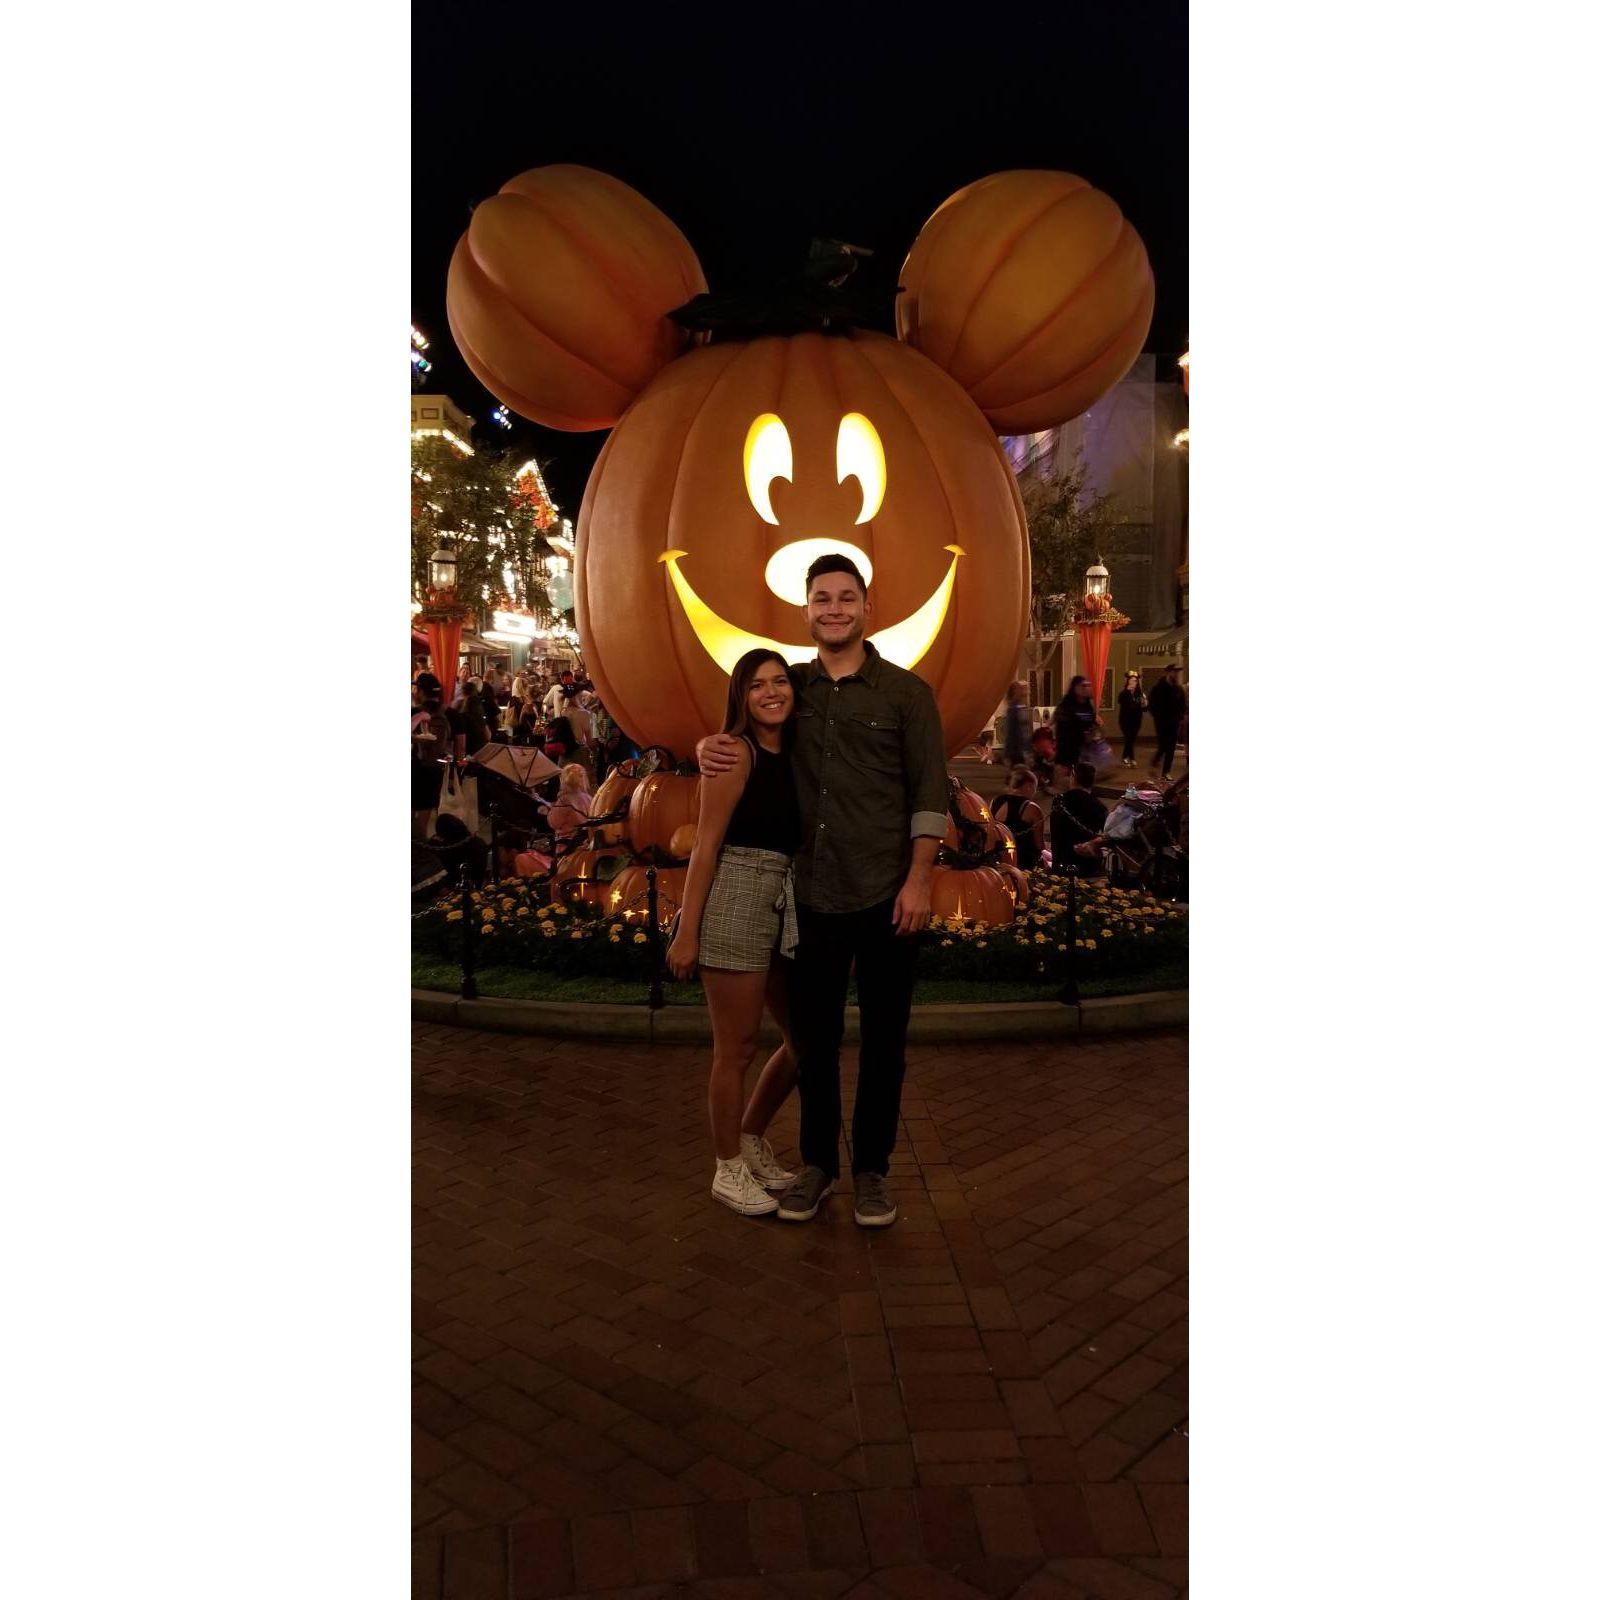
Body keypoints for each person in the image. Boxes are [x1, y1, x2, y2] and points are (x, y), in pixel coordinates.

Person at [698, 553, 946, 1230]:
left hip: (889, 893)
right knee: (814, 1041)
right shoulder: (792, 687)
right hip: (809, 897)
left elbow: (929, 795)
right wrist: (708, 747)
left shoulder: (906, 695)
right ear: (806, 610)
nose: (834, 609)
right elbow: (746, 732)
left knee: (884, 1043)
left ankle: (872, 1172)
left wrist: (920, 879)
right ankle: (817, 1165)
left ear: (867, 607)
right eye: (821, 599)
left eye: (845, 598)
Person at [667, 650, 805, 1218]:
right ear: (741, 697)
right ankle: (727, 1169)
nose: (771, 692)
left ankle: (749, 1138)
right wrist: (688, 930)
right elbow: (704, 847)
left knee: (804, 1041)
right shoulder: (734, 755)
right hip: (736, 897)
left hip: (786, 901)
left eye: (780, 682)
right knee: (737, 1047)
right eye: (757, 685)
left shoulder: (797, 752)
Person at [1050, 761, 1108, 875]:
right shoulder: (1099, 807)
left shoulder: (1059, 801)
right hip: (1088, 866)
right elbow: (1107, 836)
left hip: (1061, 864)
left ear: (1073, 777)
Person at [991, 766, 1046, 870]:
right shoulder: (1031, 808)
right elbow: (1039, 845)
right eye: (1035, 788)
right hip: (1022, 863)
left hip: (997, 858)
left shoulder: (995, 802)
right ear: (1029, 786)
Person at [1148, 663, 1187, 780]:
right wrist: (1157, 716)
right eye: (1174, 672)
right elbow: (1152, 704)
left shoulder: (1178, 689)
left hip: (1174, 722)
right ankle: (1155, 761)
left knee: (1171, 748)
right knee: (1163, 745)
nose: (1176, 674)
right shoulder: (1158, 688)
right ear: (1168, 672)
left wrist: (1180, 716)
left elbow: (1183, 704)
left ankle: (1166, 772)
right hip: (1161, 722)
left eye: (1178, 672)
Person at [1053, 675, 1097, 767]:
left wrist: (1092, 732)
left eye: (1088, 686)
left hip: (1084, 749)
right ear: (1075, 688)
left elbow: (1091, 723)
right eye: (1083, 686)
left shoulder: (1088, 706)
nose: (1087, 688)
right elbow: (1060, 722)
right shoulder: (1066, 704)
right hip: (1067, 748)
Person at [545, 764, 592, 845]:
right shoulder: (589, 798)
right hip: (586, 840)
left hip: (568, 843)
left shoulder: (563, 801)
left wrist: (550, 811)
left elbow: (554, 823)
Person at [1117, 671, 1147, 767]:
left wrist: (1145, 704)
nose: (1134, 682)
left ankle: (1124, 757)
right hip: (1125, 720)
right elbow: (1120, 701)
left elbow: (1144, 708)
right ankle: (1132, 759)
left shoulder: (1140, 694)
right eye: (1132, 680)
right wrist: (1127, 691)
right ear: (1128, 681)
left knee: (1131, 739)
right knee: (1129, 738)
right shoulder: (1124, 693)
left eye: (1135, 681)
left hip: (1136, 720)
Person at [1002, 679, 1031, 769]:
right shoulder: (1013, 709)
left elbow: (1026, 730)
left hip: (1024, 748)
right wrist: (1007, 754)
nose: (1027, 691)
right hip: (1017, 751)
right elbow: (1010, 732)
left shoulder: (1023, 707)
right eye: (1023, 688)